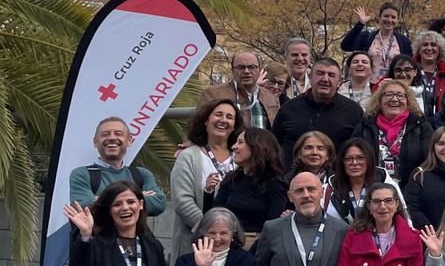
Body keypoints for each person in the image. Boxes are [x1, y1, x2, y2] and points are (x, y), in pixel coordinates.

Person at [171, 100, 242, 258]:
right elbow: (182, 202)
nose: (223, 120)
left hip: (233, 246)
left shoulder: (241, 158)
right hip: (194, 245)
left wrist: (232, 235)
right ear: (205, 120)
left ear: (235, 125)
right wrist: (210, 231)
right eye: (218, 114)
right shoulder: (188, 156)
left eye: (229, 117)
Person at [67, 116, 169, 219]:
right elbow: (85, 207)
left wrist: (99, 198)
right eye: (105, 134)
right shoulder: (82, 174)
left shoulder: (142, 174)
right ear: (95, 142)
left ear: (129, 140)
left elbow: (159, 204)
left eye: (118, 134)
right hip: (97, 235)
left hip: (135, 235)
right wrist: (137, 197)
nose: (112, 138)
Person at [210, 127, 289, 243]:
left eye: (240, 142)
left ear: (257, 146)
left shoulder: (275, 182)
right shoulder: (231, 179)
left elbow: (273, 226)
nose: (234, 147)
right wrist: (208, 192)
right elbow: (214, 214)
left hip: (256, 244)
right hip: (224, 242)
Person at [273, 57, 366, 150]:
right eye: (320, 73)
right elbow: (275, 148)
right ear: (310, 77)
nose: (325, 79)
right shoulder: (289, 108)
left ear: (340, 81)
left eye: (331, 75)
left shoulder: (353, 112)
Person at [403, 126, 445, 229]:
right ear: (433, 147)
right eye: (441, 144)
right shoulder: (419, 175)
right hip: (432, 238)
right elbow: (412, 208)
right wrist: (433, 233)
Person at [341, 3, 412, 77]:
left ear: (397, 20)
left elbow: (410, 65)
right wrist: (360, 24)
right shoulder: (367, 37)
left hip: (392, 85)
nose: (389, 20)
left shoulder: (404, 41)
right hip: (368, 84)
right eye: (386, 16)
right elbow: (345, 46)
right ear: (380, 18)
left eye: (393, 17)